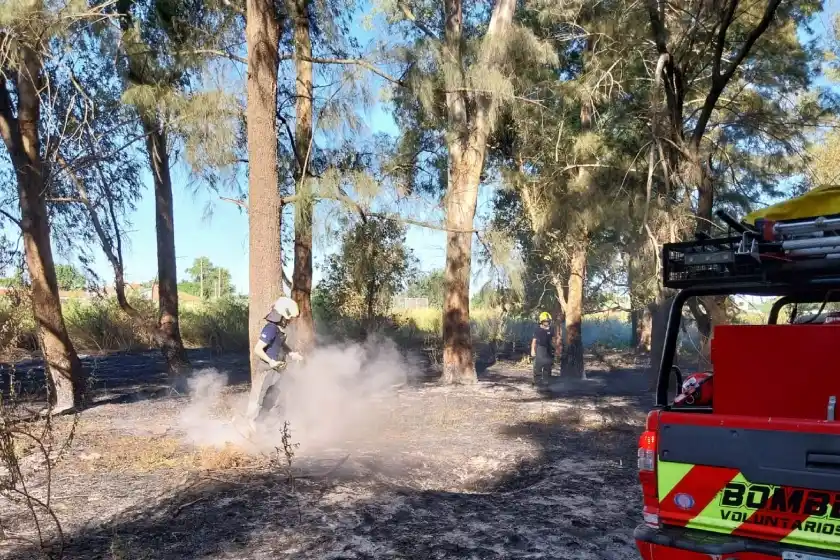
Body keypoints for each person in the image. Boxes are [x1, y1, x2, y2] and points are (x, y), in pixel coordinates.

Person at [248, 296, 304, 429]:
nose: (290, 320)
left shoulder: (279, 330)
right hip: (267, 370)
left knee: (272, 400)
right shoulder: (271, 328)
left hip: (277, 370)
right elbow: (258, 349)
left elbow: (280, 346)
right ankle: (250, 427)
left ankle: (264, 428)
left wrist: (292, 354)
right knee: (259, 400)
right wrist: (271, 362)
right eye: (288, 317)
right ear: (281, 314)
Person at [530, 311, 555, 385]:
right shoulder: (538, 329)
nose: (547, 322)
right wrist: (532, 350)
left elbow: (553, 339)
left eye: (548, 321)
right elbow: (534, 341)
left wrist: (557, 349)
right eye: (545, 321)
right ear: (541, 321)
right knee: (538, 366)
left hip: (549, 349)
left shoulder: (551, 329)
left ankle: (546, 382)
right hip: (540, 349)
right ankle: (537, 382)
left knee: (548, 366)